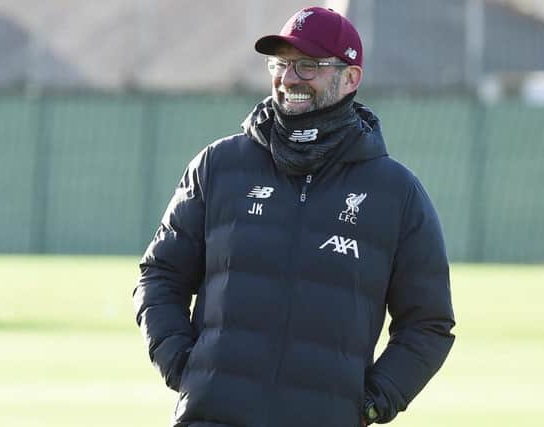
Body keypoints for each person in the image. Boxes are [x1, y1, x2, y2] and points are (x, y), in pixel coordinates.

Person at [133, 6, 455, 427]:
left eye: (308, 66)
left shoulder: (396, 192)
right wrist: (182, 366)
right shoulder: (219, 165)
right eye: (281, 64)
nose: (288, 79)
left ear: (350, 77)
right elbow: (159, 275)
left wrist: (373, 403)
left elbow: (428, 323)